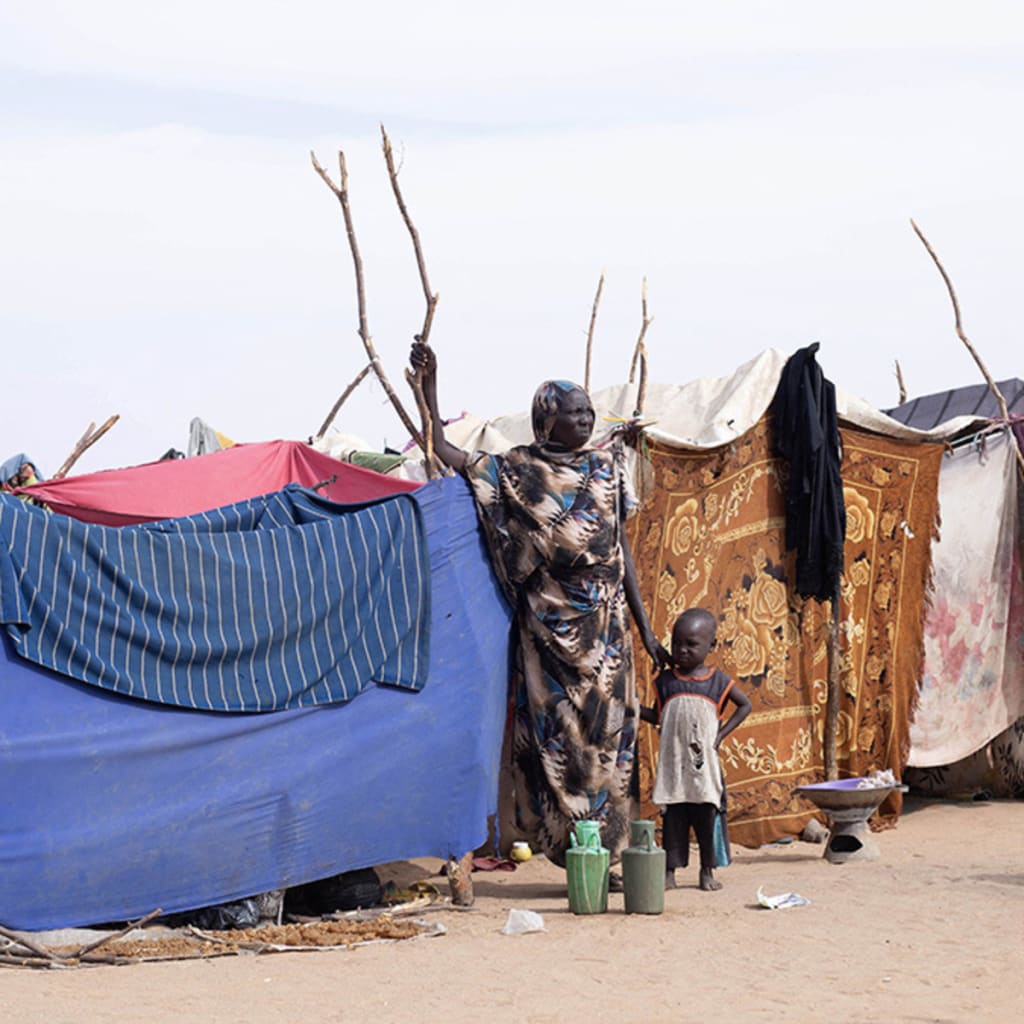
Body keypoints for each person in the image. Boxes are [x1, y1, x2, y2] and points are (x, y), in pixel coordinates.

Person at [410, 340, 668, 874]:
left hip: (608, 630)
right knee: (562, 742)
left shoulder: (607, 469)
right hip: (548, 629)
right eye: (574, 413)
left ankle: (611, 859)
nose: (586, 419)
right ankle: (577, 854)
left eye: (588, 412)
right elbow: (442, 447)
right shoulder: (515, 471)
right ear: (546, 421)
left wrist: (644, 630)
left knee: (612, 740)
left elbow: (621, 553)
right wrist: (430, 386)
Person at [640, 608, 751, 891]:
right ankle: (669, 872)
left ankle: (707, 871)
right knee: (673, 822)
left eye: (691, 644)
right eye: (677, 643)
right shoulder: (665, 682)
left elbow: (745, 705)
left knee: (706, 821)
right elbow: (658, 716)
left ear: (711, 646)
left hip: (703, 772)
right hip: (675, 769)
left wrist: (721, 735)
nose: (682, 650)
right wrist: (634, 708)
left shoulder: (718, 682)